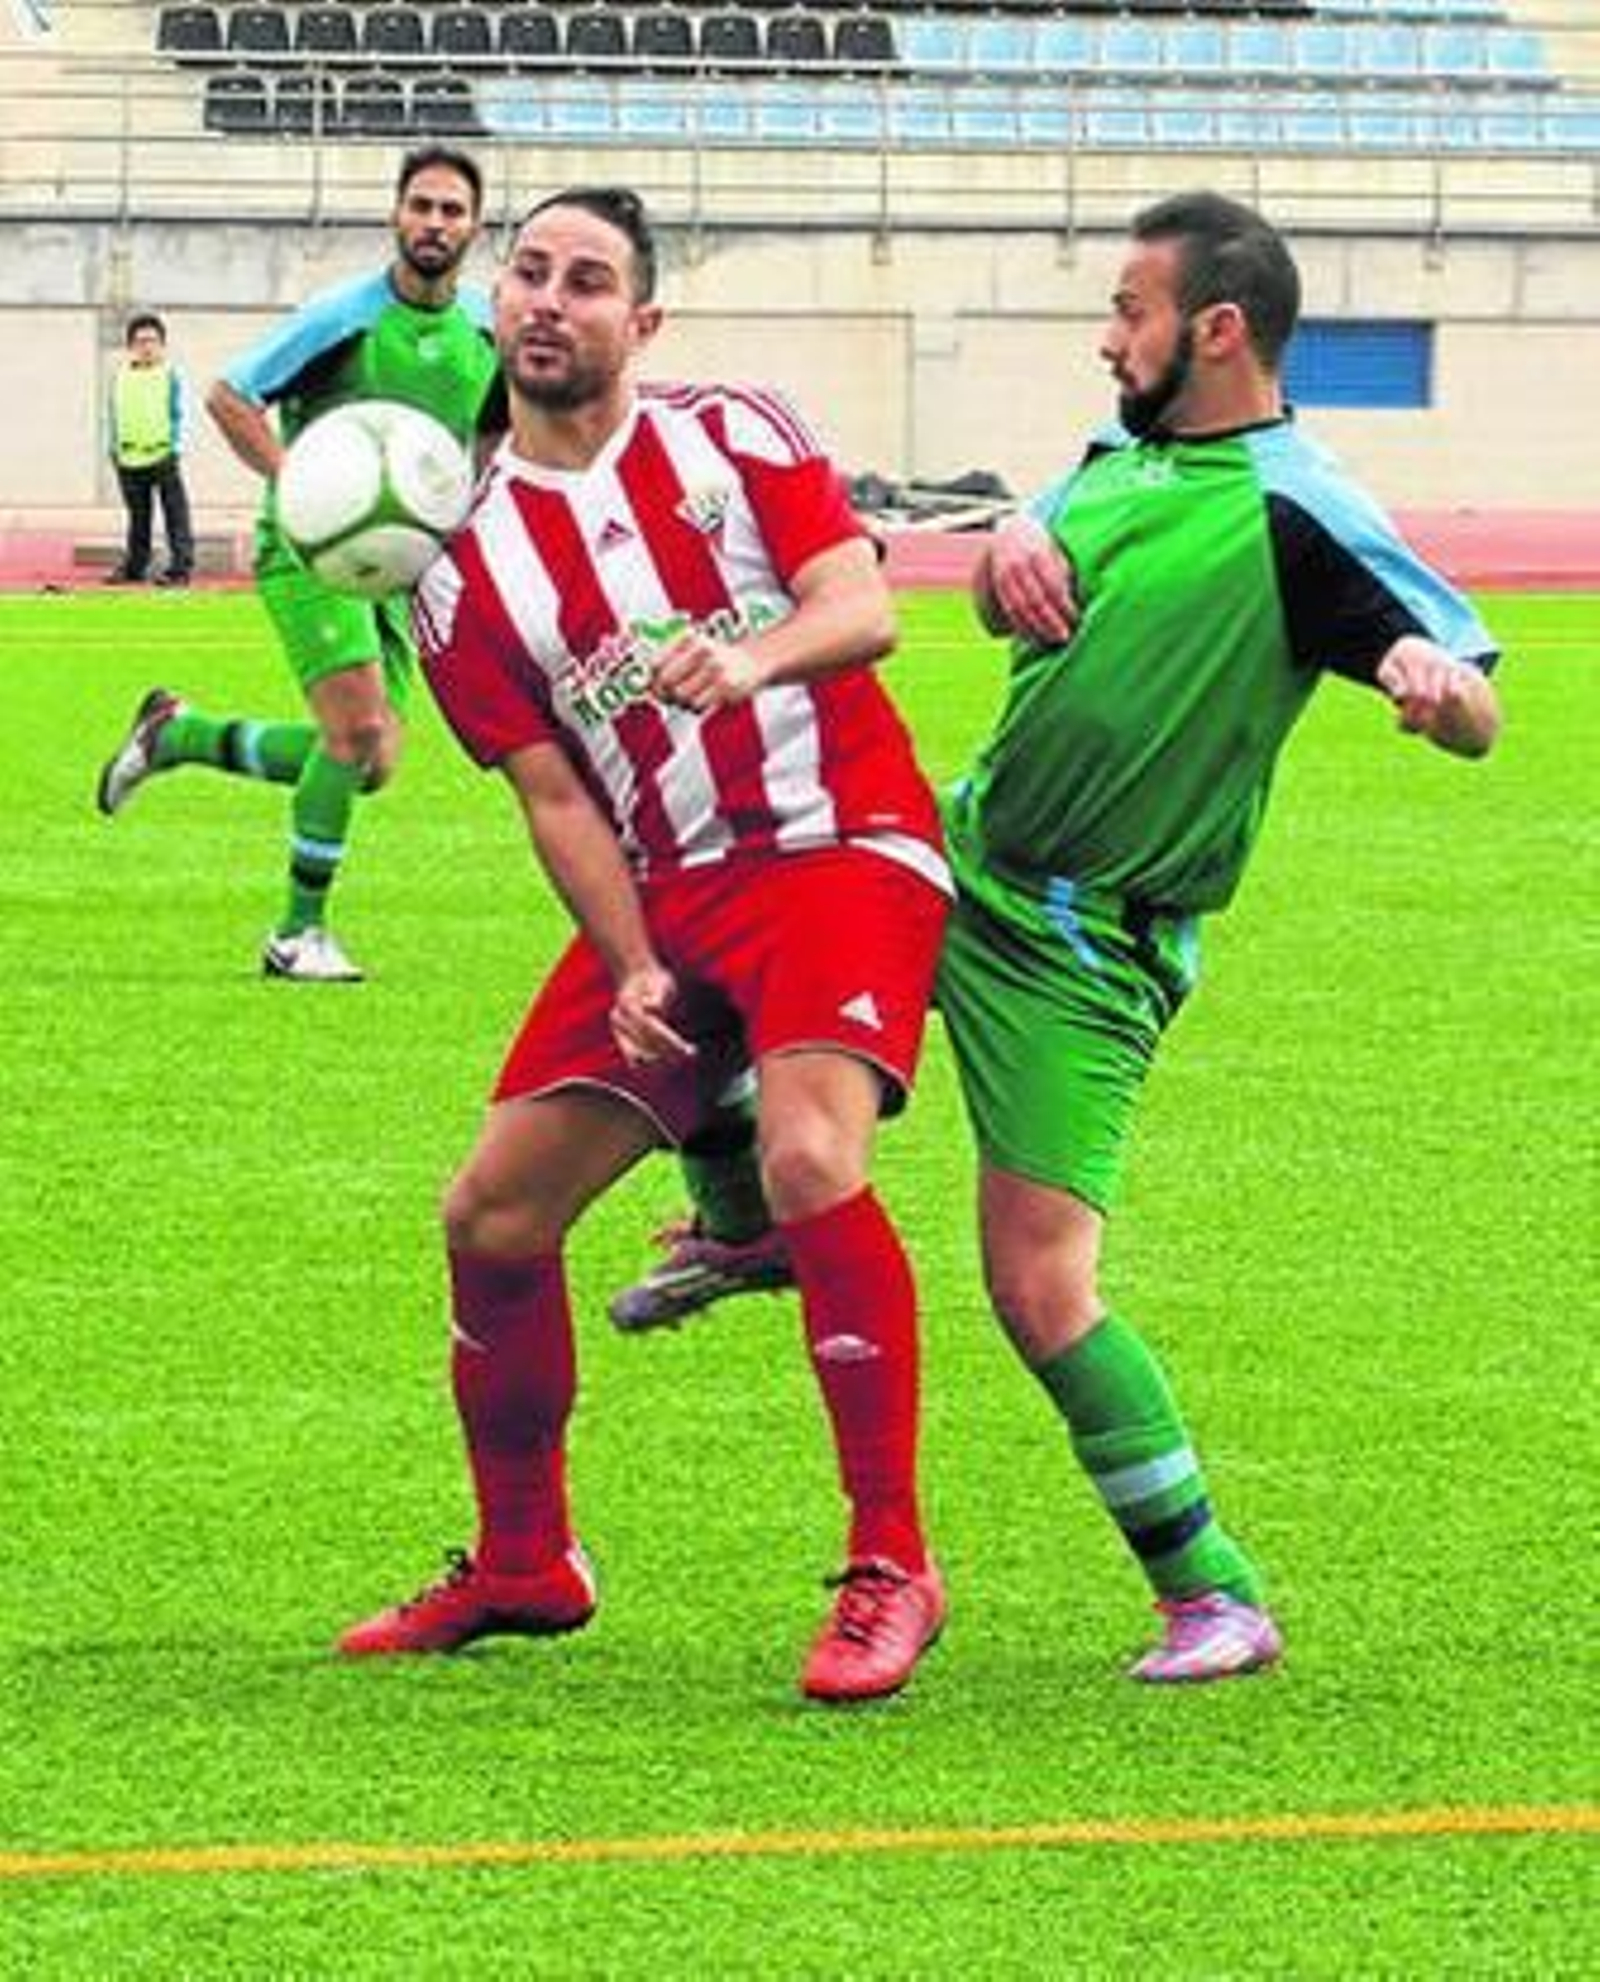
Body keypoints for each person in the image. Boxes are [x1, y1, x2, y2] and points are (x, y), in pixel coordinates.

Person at [618, 190, 1505, 1685]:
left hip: (1087, 946)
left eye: (1131, 311)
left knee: (1038, 1284)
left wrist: (1434, 683)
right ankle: (748, 1223)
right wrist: (1011, 543)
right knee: (711, 932)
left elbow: (1471, 692)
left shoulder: (1304, 506)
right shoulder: (1119, 454)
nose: (1109, 335)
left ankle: (1213, 1592)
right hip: (958, 850)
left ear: (1216, 330)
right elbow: (1014, 601)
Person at [338, 186, 952, 1705]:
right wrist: (629, 965)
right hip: (665, 896)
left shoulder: (732, 434)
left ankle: (891, 1561)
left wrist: (744, 660)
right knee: (489, 1213)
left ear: (643, 322)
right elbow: (552, 790)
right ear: (499, 307)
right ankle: (526, 1563)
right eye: (528, 272)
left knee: (812, 1158)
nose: (550, 299)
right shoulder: (460, 567)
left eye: (589, 279)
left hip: (836, 842)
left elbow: (863, 605)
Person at [94, 145, 499, 983]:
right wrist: (305, 486)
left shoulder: (486, 326)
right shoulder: (343, 315)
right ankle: (295, 935)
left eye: (451, 210)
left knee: (374, 759)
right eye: (420, 206)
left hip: (401, 564)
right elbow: (231, 394)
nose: (434, 223)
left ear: (475, 226)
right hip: (311, 547)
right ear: (396, 214)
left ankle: (179, 736)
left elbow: (490, 432)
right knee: (353, 733)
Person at [105, 311, 195, 589]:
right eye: (141, 341)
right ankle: (135, 567)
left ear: (162, 345)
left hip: (163, 456)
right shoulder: (119, 378)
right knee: (138, 518)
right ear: (130, 346)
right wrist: (114, 450)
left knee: (175, 515)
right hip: (128, 459)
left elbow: (180, 413)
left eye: (153, 341)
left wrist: (177, 447)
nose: (147, 346)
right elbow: (113, 415)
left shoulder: (171, 375)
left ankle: (180, 569)